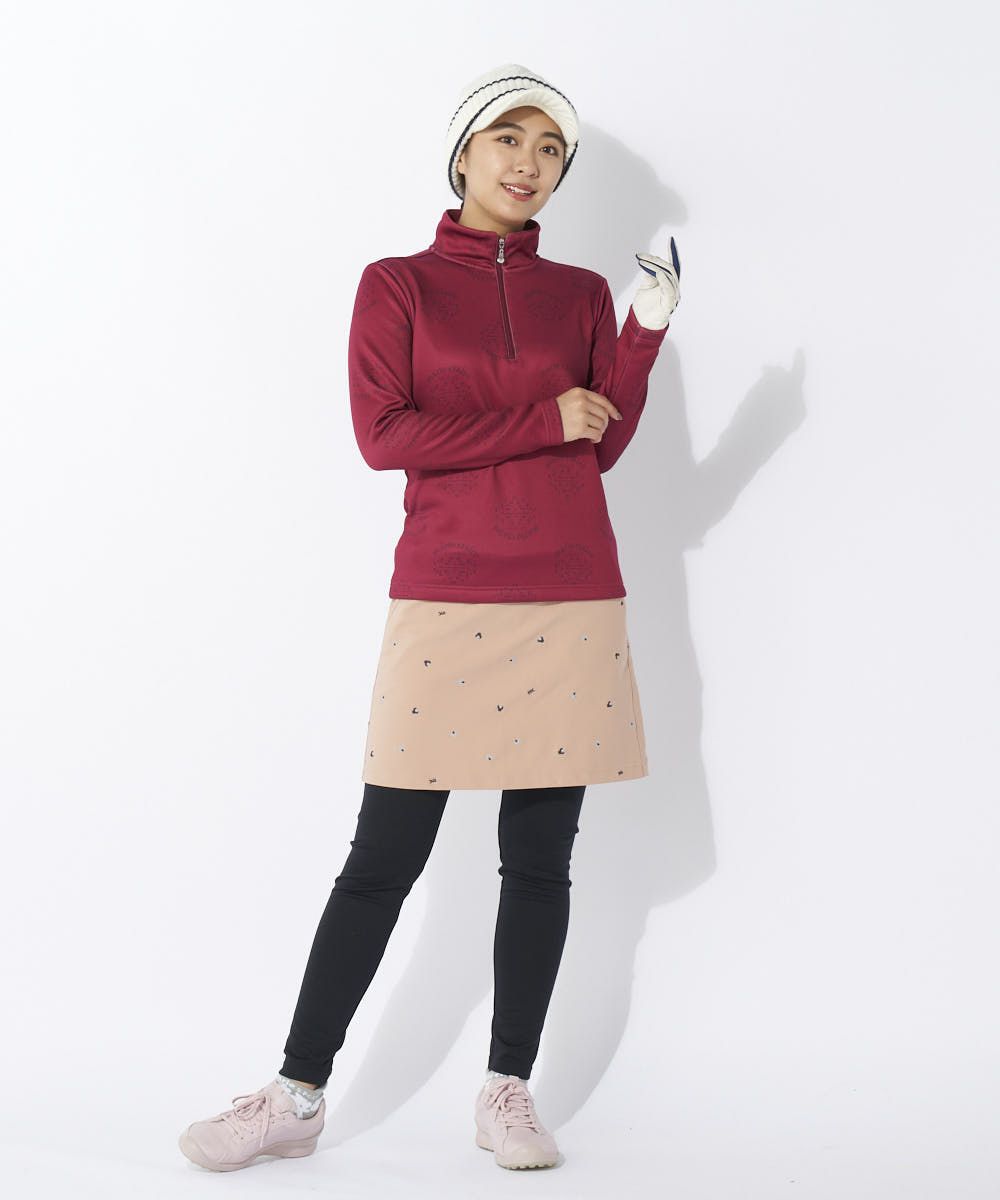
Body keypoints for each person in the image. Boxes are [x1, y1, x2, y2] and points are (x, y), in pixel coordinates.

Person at [177, 61, 680, 1174]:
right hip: (446, 592)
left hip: (569, 592)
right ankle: (296, 1095)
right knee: (381, 859)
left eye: (550, 150)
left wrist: (641, 334)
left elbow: (596, 444)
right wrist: (539, 416)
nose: (528, 164)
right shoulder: (396, 284)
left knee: (539, 861)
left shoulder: (580, 296)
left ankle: (507, 1091)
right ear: (462, 153)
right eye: (509, 139)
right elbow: (385, 436)